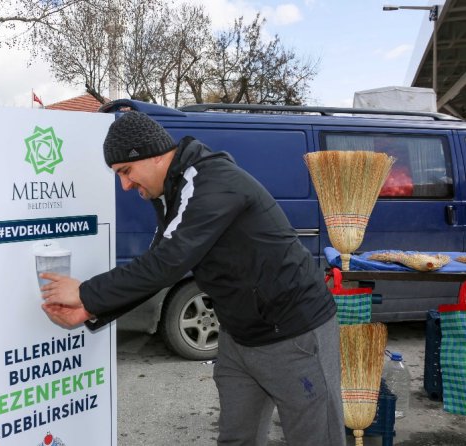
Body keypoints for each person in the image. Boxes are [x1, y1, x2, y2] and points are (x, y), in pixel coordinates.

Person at [40, 111, 345, 446]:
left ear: (155, 155)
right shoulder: (173, 191)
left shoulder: (211, 182)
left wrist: (85, 293)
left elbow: (167, 263)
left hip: (293, 332)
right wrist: (91, 310)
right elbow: (154, 268)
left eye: (126, 171)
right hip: (240, 336)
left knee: (316, 439)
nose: (125, 185)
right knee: (235, 439)